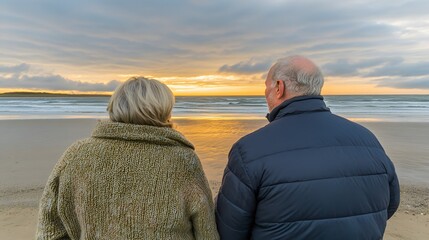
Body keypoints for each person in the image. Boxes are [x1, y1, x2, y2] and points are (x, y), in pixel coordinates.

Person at [215, 56, 400, 239]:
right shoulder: (368, 140)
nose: (265, 93)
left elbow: (229, 229)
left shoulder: (249, 150)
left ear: (279, 88)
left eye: (266, 86)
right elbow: (389, 205)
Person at [37, 77, 219, 240]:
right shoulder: (183, 160)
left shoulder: (76, 154)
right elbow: (206, 231)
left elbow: (49, 230)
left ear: (115, 106)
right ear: (164, 111)